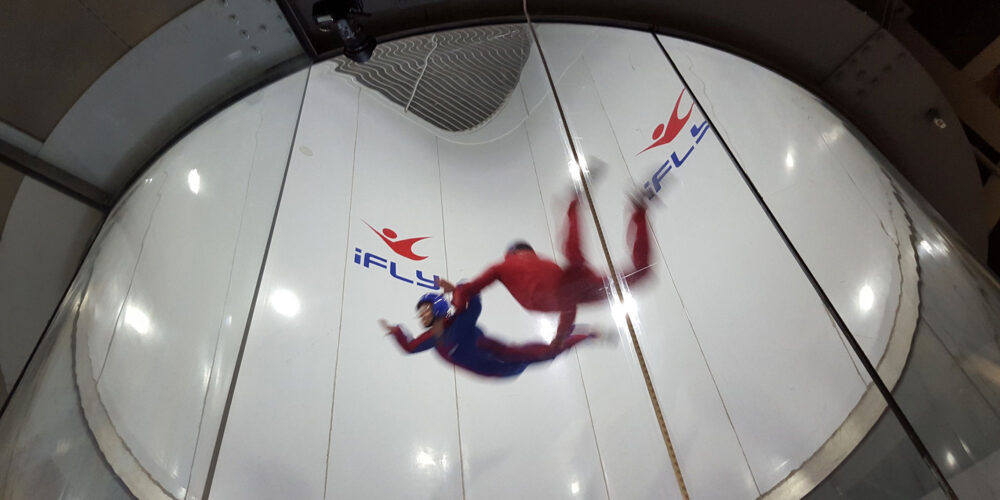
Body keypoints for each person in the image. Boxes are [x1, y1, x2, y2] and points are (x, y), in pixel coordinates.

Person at [450, 195, 650, 347]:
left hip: (555, 297)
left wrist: (457, 304)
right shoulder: (543, 262)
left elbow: (469, 289)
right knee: (624, 271)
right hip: (569, 290)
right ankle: (637, 211)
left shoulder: (501, 267)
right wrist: (560, 337)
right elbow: (569, 302)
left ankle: (575, 205)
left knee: (576, 261)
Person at [379, 284, 596, 378]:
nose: (422, 316)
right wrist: (397, 331)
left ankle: (583, 336)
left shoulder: (458, 320)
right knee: (546, 352)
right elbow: (409, 347)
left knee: (549, 352)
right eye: (421, 313)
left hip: (504, 360)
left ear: (438, 308)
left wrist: (457, 289)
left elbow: (474, 303)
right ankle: (572, 336)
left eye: (426, 310)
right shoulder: (430, 338)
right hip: (498, 369)